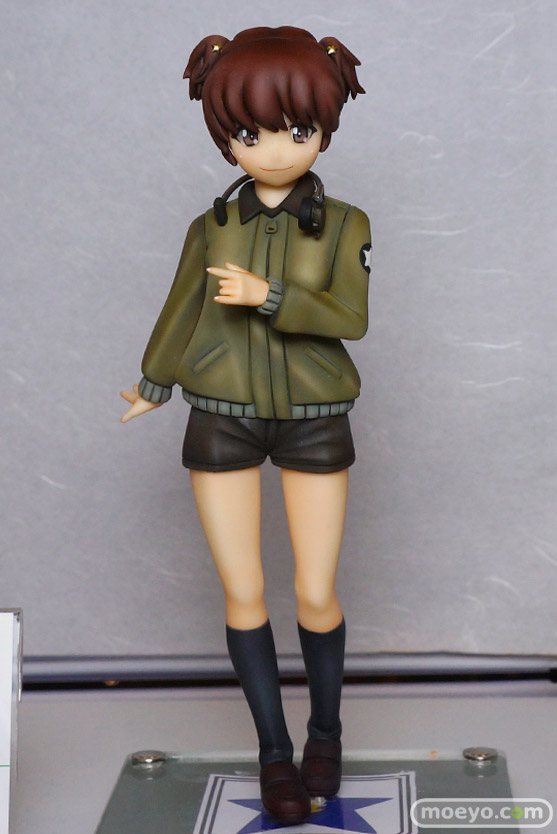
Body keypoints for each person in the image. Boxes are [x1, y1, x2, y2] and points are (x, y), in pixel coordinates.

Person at [121, 26, 370, 826]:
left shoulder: (346, 223)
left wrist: (270, 298)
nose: (276, 150)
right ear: (227, 137)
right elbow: (180, 307)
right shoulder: (211, 226)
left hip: (313, 413)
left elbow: (351, 318)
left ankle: (325, 732)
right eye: (251, 134)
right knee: (243, 591)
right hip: (221, 414)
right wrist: (154, 382)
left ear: (325, 126)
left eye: (298, 130)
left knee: (316, 590)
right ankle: (273, 752)